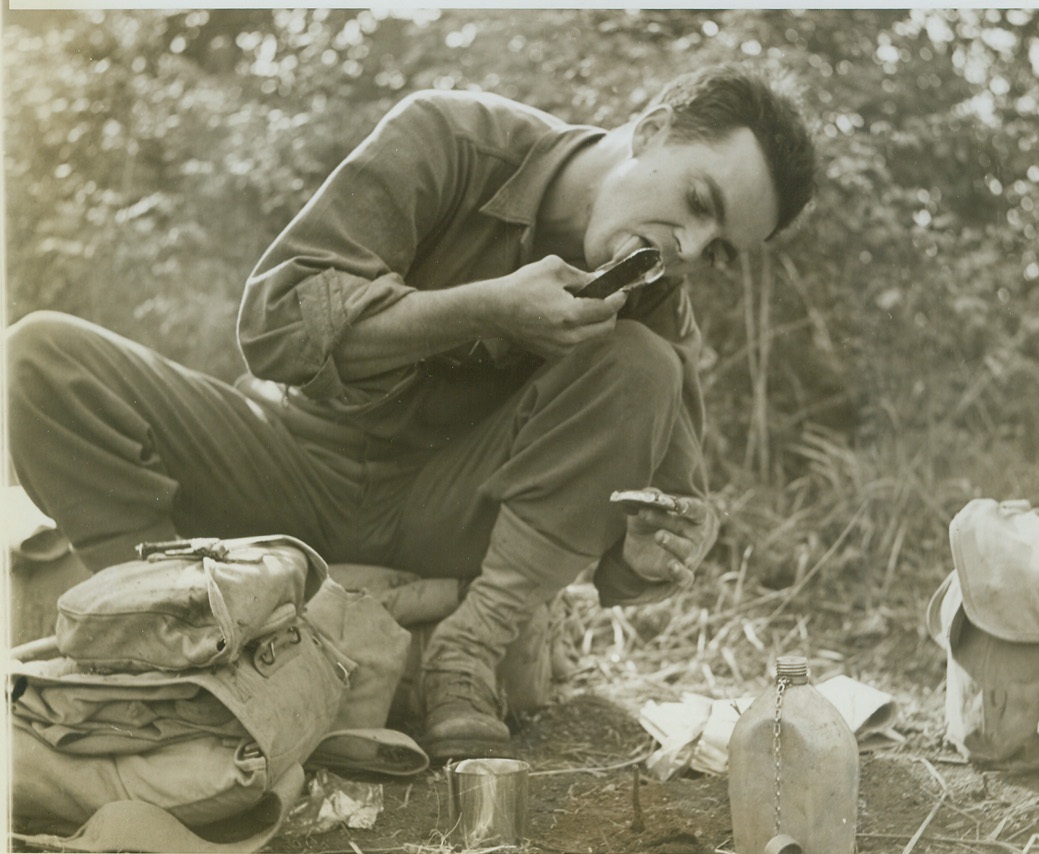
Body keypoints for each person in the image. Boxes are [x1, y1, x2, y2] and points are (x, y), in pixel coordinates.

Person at [7, 63, 816, 760]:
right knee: (40, 354)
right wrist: (483, 310)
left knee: (643, 367)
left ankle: (466, 654)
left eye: (718, 250)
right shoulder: (452, 137)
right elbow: (273, 329)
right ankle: (156, 631)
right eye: (699, 201)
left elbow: (642, 528)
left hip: (449, 520)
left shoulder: (657, 302)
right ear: (653, 127)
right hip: (284, 464)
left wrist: (651, 551)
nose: (689, 248)